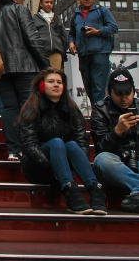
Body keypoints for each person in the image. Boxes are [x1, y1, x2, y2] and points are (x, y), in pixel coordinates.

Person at [19, 67, 106, 215]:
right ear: (41, 85)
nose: (56, 85)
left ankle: (95, 189)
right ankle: (70, 191)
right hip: (37, 165)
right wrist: (52, 166)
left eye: (59, 82)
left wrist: (73, 167)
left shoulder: (71, 108)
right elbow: (28, 145)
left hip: (63, 165)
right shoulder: (31, 108)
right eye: (51, 81)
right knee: (56, 142)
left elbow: (82, 142)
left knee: (72, 144)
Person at [0, 0, 49, 161]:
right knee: (28, 106)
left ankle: (13, 150)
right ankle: (28, 146)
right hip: (25, 66)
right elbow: (32, 38)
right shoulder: (20, 10)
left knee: (9, 108)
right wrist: (45, 64)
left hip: (2, 68)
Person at [91, 67, 139, 213]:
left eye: (127, 93)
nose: (124, 98)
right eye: (119, 94)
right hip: (115, 163)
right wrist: (117, 131)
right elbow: (100, 148)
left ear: (134, 91)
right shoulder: (100, 110)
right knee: (102, 160)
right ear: (110, 92)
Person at [68, 0, 118, 106]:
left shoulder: (102, 11)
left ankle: (98, 116)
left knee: (98, 87)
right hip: (83, 55)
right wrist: (71, 43)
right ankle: (97, 112)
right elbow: (71, 33)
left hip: (100, 54)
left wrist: (98, 31)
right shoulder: (75, 15)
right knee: (88, 87)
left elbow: (114, 28)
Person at [33, 0, 68, 71]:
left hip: (56, 52)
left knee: (55, 76)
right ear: (41, 4)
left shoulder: (56, 18)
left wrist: (63, 55)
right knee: (42, 77)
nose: (49, 4)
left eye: (51, 3)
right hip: (40, 54)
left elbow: (63, 37)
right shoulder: (34, 18)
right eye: (47, 2)